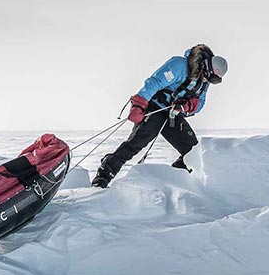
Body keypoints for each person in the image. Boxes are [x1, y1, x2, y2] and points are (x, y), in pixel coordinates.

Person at [91, 44, 228, 188]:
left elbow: (200, 102)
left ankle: (171, 182)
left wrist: (187, 105)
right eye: (212, 78)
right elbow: (155, 82)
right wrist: (139, 104)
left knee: (192, 152)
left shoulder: (203, 83)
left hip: (173, 115)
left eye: (215, 81)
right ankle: (104, 175)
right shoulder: (180, 65)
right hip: (155, 108)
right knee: (135, 144)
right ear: (207, 67)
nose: (210, 82)